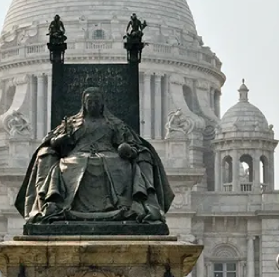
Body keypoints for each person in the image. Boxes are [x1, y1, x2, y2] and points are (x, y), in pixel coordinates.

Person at [16, 86, 173, 225]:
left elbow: (126, 143)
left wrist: (126, 149)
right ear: (84, 104)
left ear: (102, 103)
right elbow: (53, 143)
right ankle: (54, 205)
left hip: (110, 155)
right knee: (74, 163)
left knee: (117, 164)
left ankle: (126, 205)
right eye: (90, 101)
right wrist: (64, 138)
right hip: (77, 155)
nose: (93, 104)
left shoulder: (114, 124)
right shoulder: (71, 123)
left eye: (96, 101)